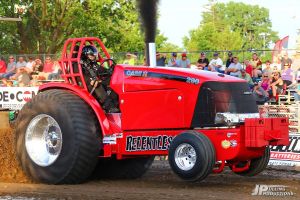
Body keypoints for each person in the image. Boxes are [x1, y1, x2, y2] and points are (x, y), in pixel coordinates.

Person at [80, 45, 119, 113]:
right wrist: (93, 80)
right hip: (87, 85)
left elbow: (103, 70)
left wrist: (111, 70)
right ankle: (109, 106)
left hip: (94, 82)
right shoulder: (81, 66)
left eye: (94, 55)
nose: (94, 57)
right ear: (85, 55)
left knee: (112, 80)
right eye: (92, 55)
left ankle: (117, 103)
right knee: (97, 84)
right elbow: (83, 78)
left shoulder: (93, 64)